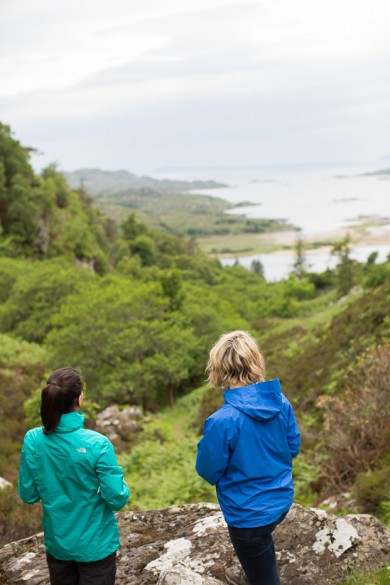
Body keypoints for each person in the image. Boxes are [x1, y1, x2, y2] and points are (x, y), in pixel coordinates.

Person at [195, 331, 300, 585]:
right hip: (281, 501)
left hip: (248, 519)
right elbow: (292, 447)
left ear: (218, 368)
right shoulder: (280, 402)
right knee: (261, 544)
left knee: (264, 577)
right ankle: (255, 568)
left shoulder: (221, 421)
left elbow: (208, 471)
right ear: (255, 361)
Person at [18, 367, 130, 585]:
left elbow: (28, 494)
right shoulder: (98, 444)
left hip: (58, 545)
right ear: (79, 398)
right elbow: (117, 498)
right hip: (96, 547)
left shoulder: (33, 439)